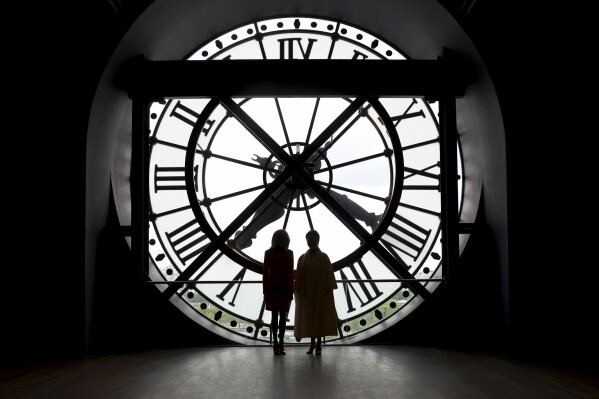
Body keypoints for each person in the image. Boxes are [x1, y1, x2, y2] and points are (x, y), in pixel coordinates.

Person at [293, 230, 338, 355]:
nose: (310, 241)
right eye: (309, 239)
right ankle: (317, 344)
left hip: (310, 292)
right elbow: (329, 274)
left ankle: (313, 344)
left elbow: (299, 277)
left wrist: (298, 291)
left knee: (310, 318)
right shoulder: (323, 257)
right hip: (319, 291)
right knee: (318, 318)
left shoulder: (302, 258)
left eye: (312, 239)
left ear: (317, 240)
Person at [263, 229, 294, 355]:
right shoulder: (290, 253)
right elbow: (291, 274)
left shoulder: (268, 253)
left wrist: (265, 292)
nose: (281, 239)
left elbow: (265, 274)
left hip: (272, 289)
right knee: (282, 318)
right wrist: (291, 290)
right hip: (284, 290)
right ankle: (281, 343)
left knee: (274, 318)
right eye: (280, 237)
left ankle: (275, 343)